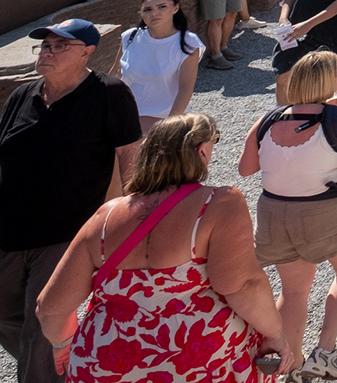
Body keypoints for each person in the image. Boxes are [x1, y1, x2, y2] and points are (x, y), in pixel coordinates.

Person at [36, 114, 284, 383]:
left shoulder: (104, 217)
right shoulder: (219, 203)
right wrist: (276, 335)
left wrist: (63, 344)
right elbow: (241, 285)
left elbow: (49, 307)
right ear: (201, 149)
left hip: (106, 364)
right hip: (200, 363)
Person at [0, 19, 141, 383]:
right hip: (5, 227)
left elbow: (129, 153)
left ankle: (43, 370)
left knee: (42, 318)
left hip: (67, 233)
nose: (47, 52)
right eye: (45, 46)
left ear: (87, 52)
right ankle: (66, 358)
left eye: (59, 46)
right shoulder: (23, 94)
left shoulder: (110, 94)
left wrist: (130, 212)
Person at [238, 52, 337, 383]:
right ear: (329, 79)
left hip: (275, 215)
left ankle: (290, 366)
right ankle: (326, 351)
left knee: (293, 291)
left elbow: (246, 168)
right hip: (326, 212)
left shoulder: (267, 119)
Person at [113, 0, 202, 134]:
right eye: (147, 10)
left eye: (162, 7)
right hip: (128, 115)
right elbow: (115, 74)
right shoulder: (130, 37)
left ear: (175, 8)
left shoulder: (189, 42)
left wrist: (169, 126)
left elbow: (186, 87)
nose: (154, 14)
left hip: (166, 119)